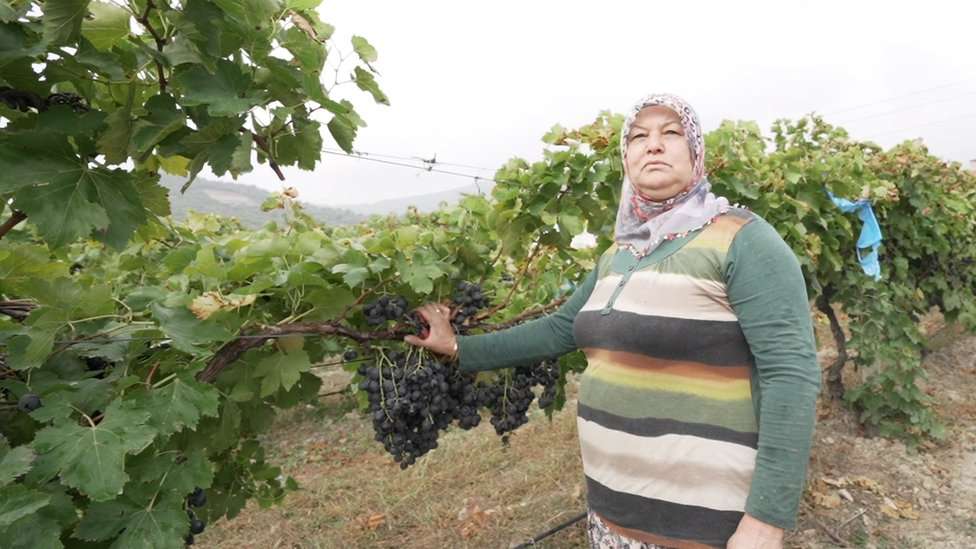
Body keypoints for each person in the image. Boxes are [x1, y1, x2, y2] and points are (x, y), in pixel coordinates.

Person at [404, 93, 821, 549]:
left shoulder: (743, 239)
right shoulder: (620, 253)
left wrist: (766, 520)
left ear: (696, 151)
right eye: (639, 137)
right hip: (612, 516)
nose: (653, 145)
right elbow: (561, 328)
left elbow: (791, 374)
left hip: (704, 528)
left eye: (671, 133)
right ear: (626, 158)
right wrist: (460, 347)